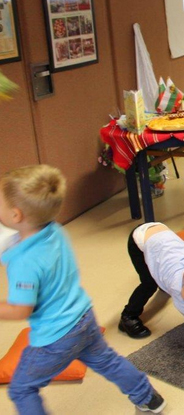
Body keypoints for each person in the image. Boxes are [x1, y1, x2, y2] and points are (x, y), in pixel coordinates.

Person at [0, 165, 165, 414]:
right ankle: (149, 398)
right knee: (108, 361)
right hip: (83, 319)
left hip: (55, 338)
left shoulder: (23, 262)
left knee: (22, 389)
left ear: (16, 215)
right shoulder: (53, 230)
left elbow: (21, 309)